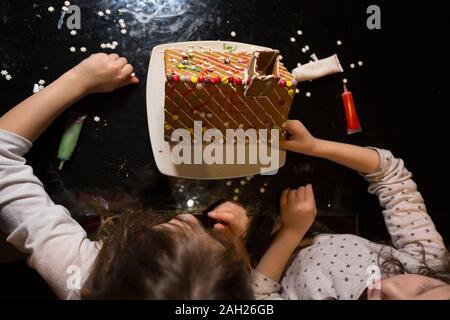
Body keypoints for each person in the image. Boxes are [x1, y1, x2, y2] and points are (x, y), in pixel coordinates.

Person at [0, 53, 253, 299]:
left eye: (163, 234)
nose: (188, 216)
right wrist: (233, 243)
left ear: (112, 274)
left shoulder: (79, 275)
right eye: (217, 250)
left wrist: (79, 80)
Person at [252, 120, 450, 300]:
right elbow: (390, 173)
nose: (390, 288)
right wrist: (314, 146)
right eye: (424, 289)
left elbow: (258, 298)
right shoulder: (430, 263)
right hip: (314, 232)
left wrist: (291, 231)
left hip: (260, 261)